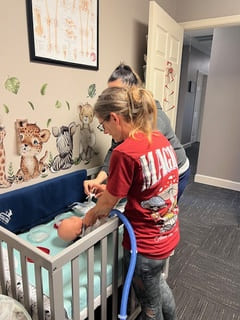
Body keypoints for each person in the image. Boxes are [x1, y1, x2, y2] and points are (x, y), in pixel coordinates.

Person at [59, 86, 179, 319]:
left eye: (103, 126)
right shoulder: (159, 140)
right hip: (168, 234)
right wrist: (109, 188)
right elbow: (149, 184)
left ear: (114, 118)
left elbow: (105, 207)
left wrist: (87, 219)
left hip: (145, 247)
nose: (105, 131)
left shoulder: (124, 153)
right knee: (158, 285)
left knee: (150, 309)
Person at [84, 63, 190, 201]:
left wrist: (112, 191)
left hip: (176, 171)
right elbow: (115, 149)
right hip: (155, 173)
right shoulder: (121, 120)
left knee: (160, 211)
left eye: (116, 92)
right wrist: (99, 179)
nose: (111, 97)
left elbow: (146, 167)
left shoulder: (153, 119)